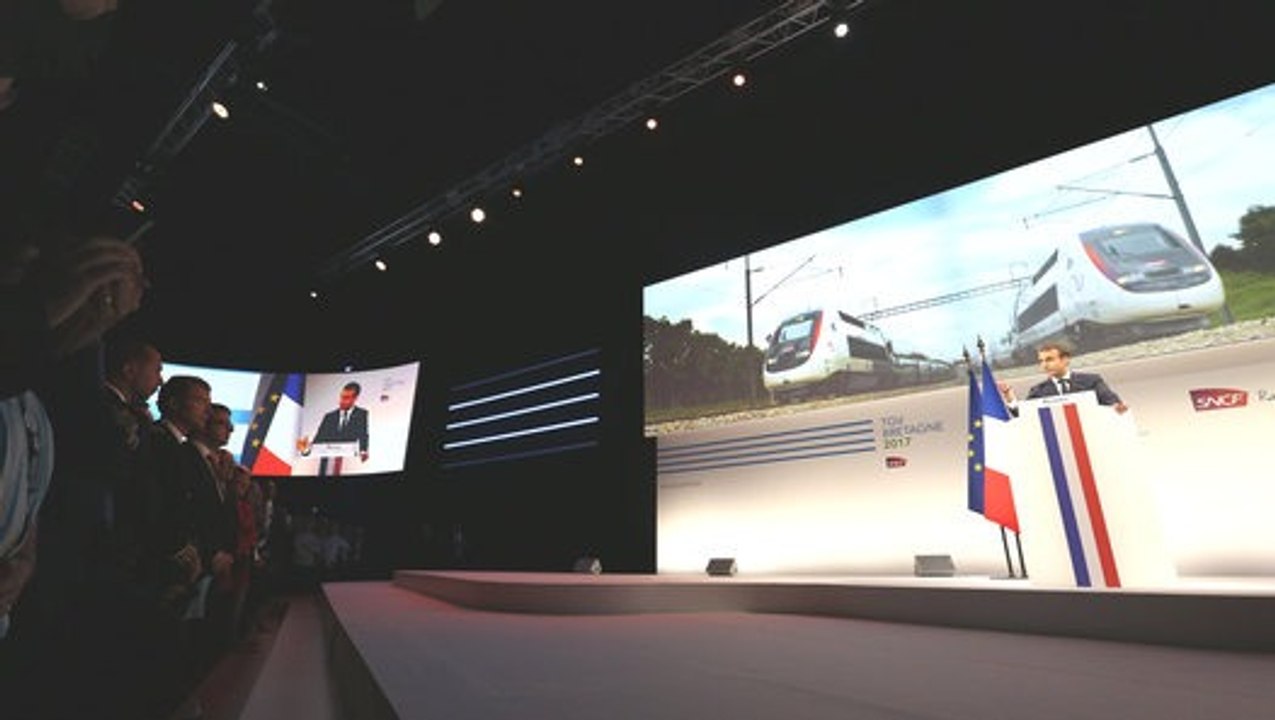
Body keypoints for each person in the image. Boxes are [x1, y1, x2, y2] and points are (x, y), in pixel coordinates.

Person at [1000, 341, 1128, 414]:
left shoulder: (1091, 381)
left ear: (1065, 360)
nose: (1044, 365)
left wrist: (1117, 408)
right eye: (1041, 361)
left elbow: (1112, 403)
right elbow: (1025, 416)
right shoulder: (1038, 391)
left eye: (1049, 360)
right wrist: (1010, 398)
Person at [299, 381, 370, 465]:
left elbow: (363, 435)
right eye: (341, 397)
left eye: (346, 398)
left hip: (347, 462)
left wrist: (363, 451)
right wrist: (305, 450)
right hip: (326, 460)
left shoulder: (361, 414)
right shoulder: (329, 417)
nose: (341, 401)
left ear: (355, 398)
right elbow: (318, 441)